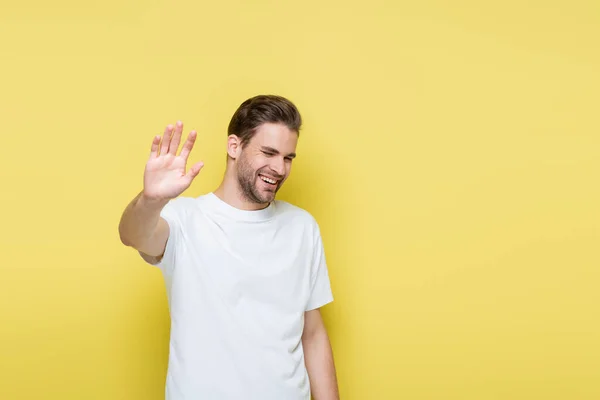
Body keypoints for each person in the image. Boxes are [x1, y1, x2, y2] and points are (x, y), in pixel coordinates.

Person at [118, 94, 339, 399]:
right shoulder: (183, 220)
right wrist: (151, 199)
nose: (279, 168)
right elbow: (133, 234)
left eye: (288, 158)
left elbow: (312, 334)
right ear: (234, 146)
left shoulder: (302, 227)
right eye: (269, 152)